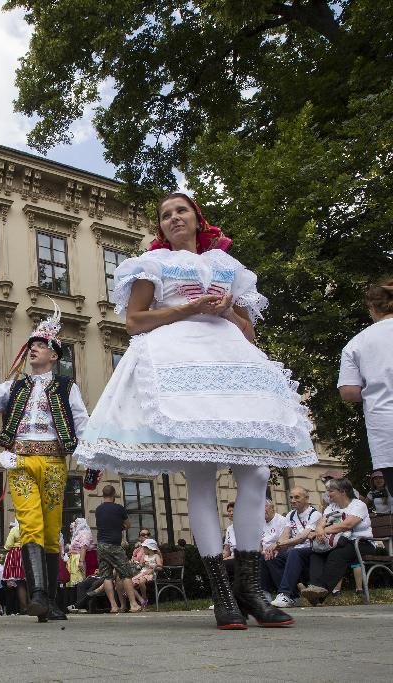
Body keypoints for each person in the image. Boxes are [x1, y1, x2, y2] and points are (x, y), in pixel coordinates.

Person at [76, 193, 316, 630]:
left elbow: (249, 331)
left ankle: (249, 588)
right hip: (179, 361)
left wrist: (226, 309)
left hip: (229, 363)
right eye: (165, 215)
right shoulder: (153, 264)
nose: (173, 218)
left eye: (180, 210)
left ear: (196, 217)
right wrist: (189, 307)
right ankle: (225, 594)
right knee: (202, 474)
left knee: (257, 473)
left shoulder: (227, 268)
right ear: (161, 227)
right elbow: (134, 320)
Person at [0, 307, 89, 623]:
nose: (33, 349)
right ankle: (40, 595)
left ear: (54, 355)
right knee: (30, 523)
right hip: (20, 461)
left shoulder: (68, 388)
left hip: (56, 462)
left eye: (40, 345)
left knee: (52, 530)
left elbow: (82, 424)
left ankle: (50, 602)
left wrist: (91, 460)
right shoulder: (16, 386)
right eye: (32, 345)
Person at [338, 277, 393, 499]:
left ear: (372, 307)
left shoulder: (357, 343)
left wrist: (376, 391)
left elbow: (348, 392)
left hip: (387, 430)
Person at [301, 478, 374, 605]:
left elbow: (347, 525)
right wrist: (319, 530)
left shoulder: (358, 505)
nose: (327, 493)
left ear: (342, 491)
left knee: (338, 554)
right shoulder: (331, 507)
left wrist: (324, 531)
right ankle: (314, 590)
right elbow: (321, 523)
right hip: (338, 541)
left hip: (361, 542)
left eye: (331, 490)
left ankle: (320, 591)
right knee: (316, 553)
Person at [267, 487, 321, 608]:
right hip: (296, 551)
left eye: (297, 497)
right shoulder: (290, 515)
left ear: (306, 499)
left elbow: (302, 537)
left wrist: (279, 544)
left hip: (311, 549)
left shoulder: (314, 514)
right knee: (273, 557)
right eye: (291, 497)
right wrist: (275, 548)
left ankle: (284, 593)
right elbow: (285, 535)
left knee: (294, 552)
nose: (293, 500)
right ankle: (293, 597)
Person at [93, 485, 141, 613]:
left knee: (107, 576)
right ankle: (133, 604)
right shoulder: (119, 508)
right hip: (114, 545)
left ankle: (114, 606)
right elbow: (128, 524)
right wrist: (120, 528)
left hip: (101, 545)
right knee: (126, 574)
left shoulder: (98, 509)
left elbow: (104, 524)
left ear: (103, 495)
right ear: (113, 494)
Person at [130, 539, 163, 605]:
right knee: (130, 585)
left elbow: (160, 567)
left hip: (151, 574)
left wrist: (151, 566)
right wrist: (135, 563)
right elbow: (141, 565)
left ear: (149, 548)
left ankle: (144, 598)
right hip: (142, 573)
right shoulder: (144, 556)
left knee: (142, 581)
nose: (143, 550)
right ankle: (141, 600)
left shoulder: (156, 556)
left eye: (144, 548)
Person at [66, 518, 95, 586]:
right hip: (75, 559)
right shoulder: (78, 533)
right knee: (75, 580)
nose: (75, 526)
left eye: (76, 524)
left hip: (80, 558)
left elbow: (84, 546)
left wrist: (81, 561)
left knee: (80, 580)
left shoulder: (84, 533)